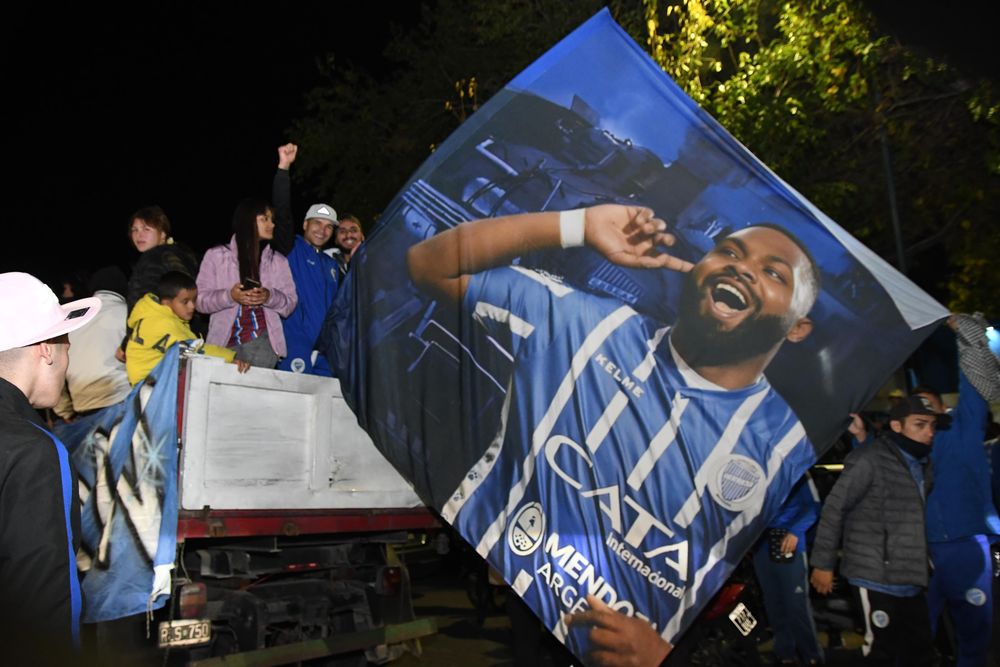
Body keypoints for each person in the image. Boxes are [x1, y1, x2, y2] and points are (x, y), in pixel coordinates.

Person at [407, 204, 820, 649]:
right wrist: (578, 226)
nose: (742, 269)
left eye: (774, 274)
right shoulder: (586, 323)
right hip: (530, 598)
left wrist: (666, 653)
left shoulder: (785, 445)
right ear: (699, 267)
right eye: (730, 253)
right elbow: (428, 266)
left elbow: (750, 569)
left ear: (797, 328)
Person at [0, 271, 101, 659]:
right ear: (46, 349)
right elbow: (45, 598)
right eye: (67, 347)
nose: (67, 365)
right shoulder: (34, 449)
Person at [810, 396, 942, 666]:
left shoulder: (921, 464)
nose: (929, 432)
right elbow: (835, 509)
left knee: (920, 653)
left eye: (932, 425)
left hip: (910, 578)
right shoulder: (868, 459)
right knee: (880, 654)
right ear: (896, 426)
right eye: (920, 424)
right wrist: (822, 563)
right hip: (875, 575)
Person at [917, 314, 1000, 667]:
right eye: (914, 409)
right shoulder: (902, 449)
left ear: (942, 408)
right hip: (919, 553)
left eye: (928, 406)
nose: (922, 414)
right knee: (918, 634)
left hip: (969, 545)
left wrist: (964, 336)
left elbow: (975, 384)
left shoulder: (963, 429)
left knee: (975, 635)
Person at [196, 197, 297, 368]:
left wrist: (268, 296)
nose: (271, 224)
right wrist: (230, 296)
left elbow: (290, 304)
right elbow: (199, 301)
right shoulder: (216, 256)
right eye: (265, 218)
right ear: (248, 219)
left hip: (262, 342)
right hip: (222, 344)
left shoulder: (277, 261)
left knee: (252, 394)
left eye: (272, 220)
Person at [267, 143, 341, 375]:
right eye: (317, 223)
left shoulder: (332, 265)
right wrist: (283, 168)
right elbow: (282, 210)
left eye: (329, 226)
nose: (322, 230)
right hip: (294, 340)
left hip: (326, 348)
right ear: (305, 224)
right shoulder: (291, 248)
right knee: (291, 404)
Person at [126, 271, 249, 385]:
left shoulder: (159, 316)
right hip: (150, 387)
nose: (192, 306)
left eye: (194, 300)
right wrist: (229, 359)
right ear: (166, 303)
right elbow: (192, 350)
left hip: (154, 383)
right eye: (185, 301)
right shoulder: (160, 323)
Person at [751, 474, 823, 666]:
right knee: (774, 604)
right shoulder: (757, 468)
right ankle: (785, 655)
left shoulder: (797, 467)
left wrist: (795, 531)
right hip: (762, 546)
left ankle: (812, 656)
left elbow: (814, 506)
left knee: (796, 605)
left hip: (789, 543)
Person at [53, 266, 131, 420]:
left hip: (83, 409)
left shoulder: (73, 322)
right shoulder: (129, 314)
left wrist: (65, 412)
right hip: (123, 402)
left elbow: (55, 367)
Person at [125, 205, 200, 312]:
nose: (139, 235)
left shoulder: (154, 257)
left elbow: (148, 298)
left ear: (163, 234)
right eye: (135, 230)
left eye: (146, 229)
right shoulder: (177, 254)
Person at [325, 213, 364, 277]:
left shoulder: (377, 258)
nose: (348, 235)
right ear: (336, 240)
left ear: (362, 236)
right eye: (342, 231)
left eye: (354, 230)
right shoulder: (326, 261)